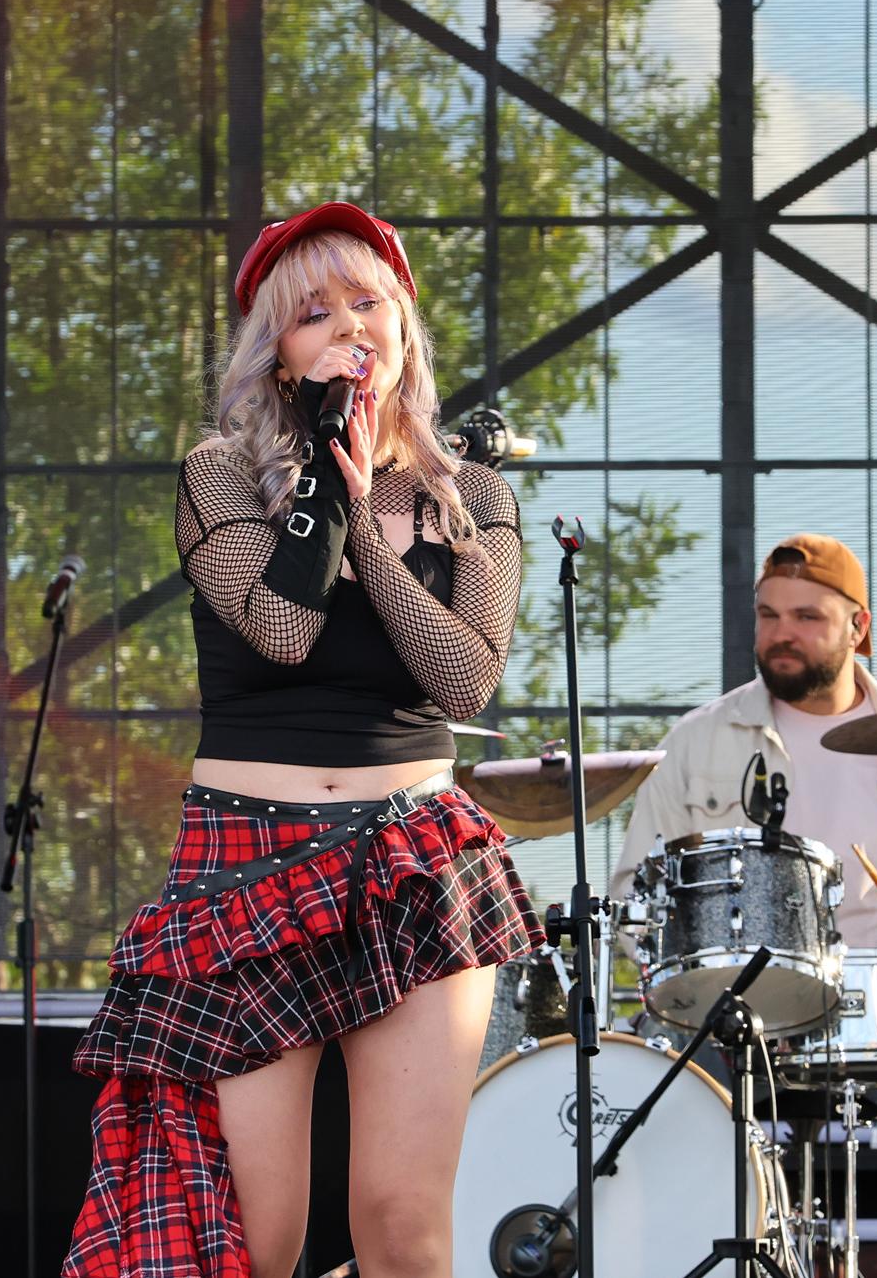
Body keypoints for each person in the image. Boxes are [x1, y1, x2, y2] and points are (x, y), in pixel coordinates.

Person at [63, 202, 542, 1278]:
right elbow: (282, 628)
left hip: (415, 853)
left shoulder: (471, 497)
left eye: (368, 302)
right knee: (257, 1235)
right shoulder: (221, 473)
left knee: (402, 1222)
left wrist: (368, 519)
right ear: (276, 351)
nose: (349, 327)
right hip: (248, 856)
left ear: (404, 325)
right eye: (314, 313)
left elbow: (465, 675)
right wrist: (329, 473)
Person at [610, 534, 877, 1278]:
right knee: (643, 1067)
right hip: (737, 1017)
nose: (782, 634)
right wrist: (674, 974)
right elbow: (631, 896)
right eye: (769, 615)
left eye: (807, 617)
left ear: (857, 628)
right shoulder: (699, 741)